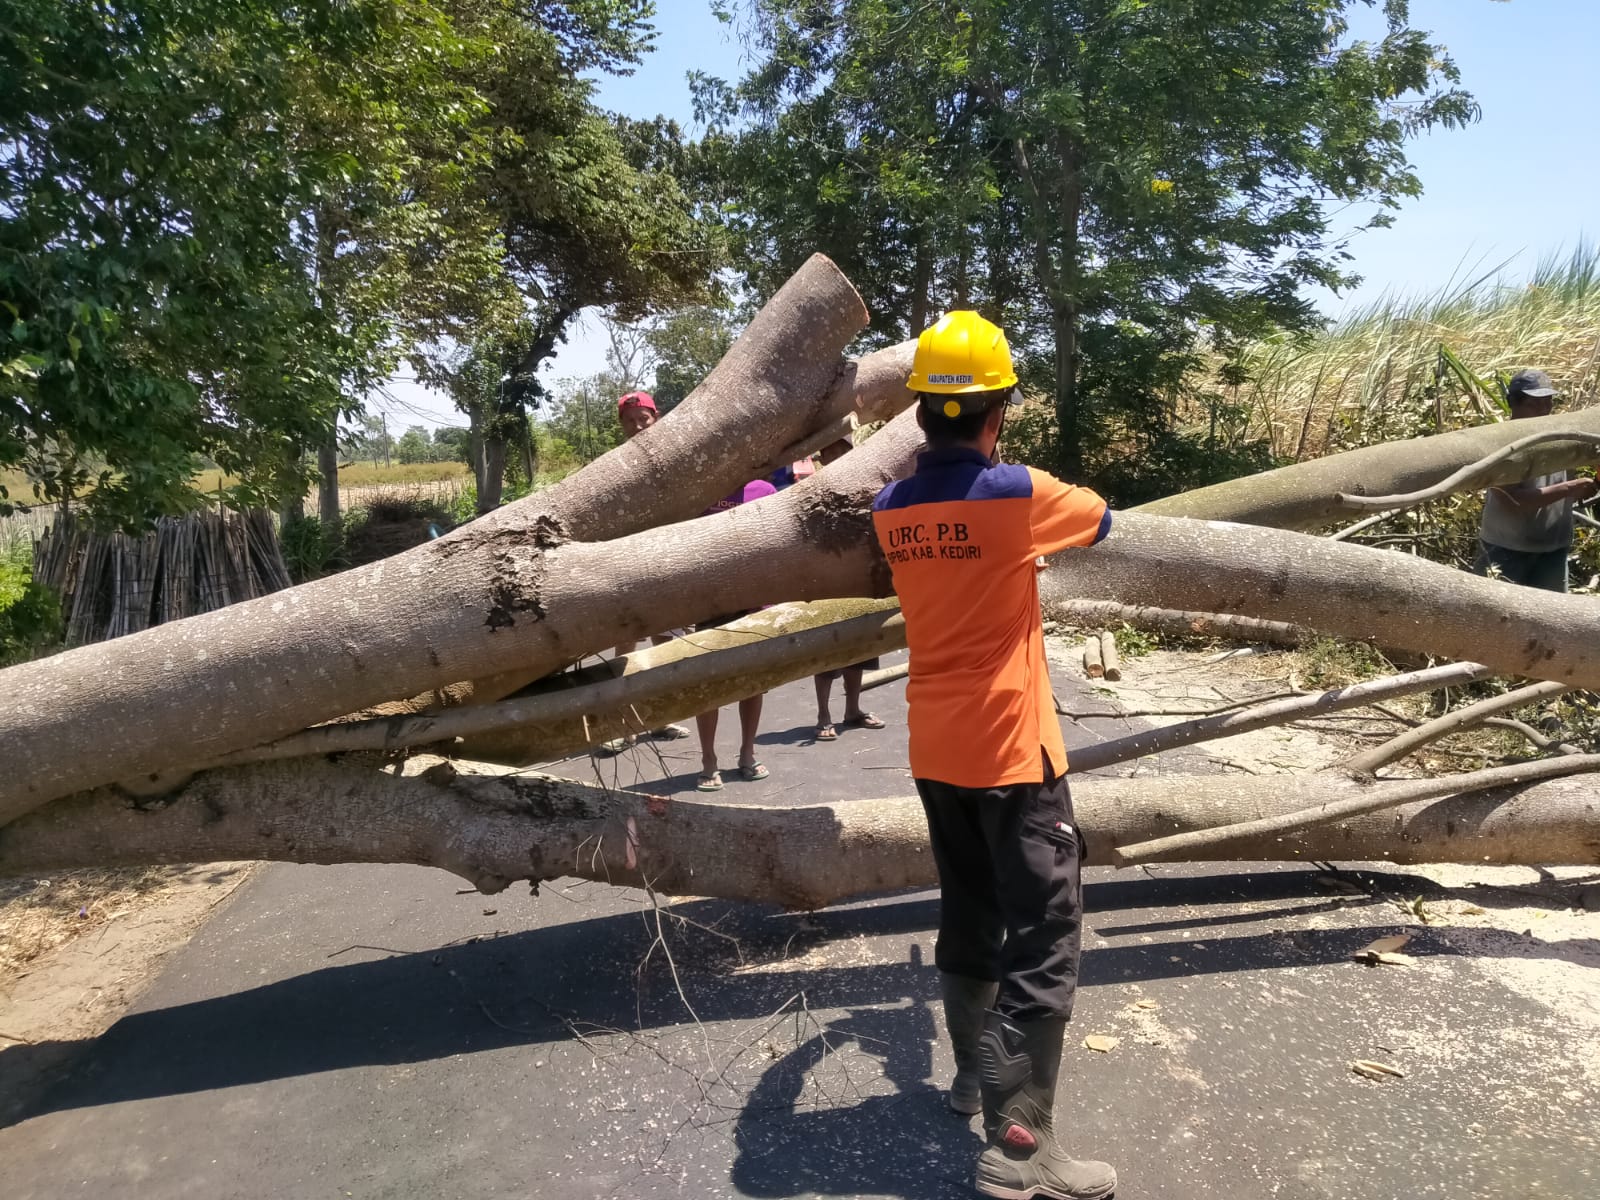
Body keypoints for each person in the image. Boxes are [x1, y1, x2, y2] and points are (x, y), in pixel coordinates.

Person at [871, 311, 1116, 1200]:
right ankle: (1021, 1146)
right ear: (997, 411)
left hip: (935, 745)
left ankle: (972, 1080)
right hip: (1012, 747)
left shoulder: (890, 508)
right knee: (1045, 931)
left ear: (920, 415)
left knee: (971, 910)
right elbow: (1103, 522)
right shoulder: (1017, 494)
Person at [602, 391, 690, 751]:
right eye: (631, 420)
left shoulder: (674, 459)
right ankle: (624, 725)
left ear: (656, 417)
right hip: (629, 562)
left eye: (644, 418)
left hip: (666, 560)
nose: (638, 426)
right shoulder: (614, 465)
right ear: (622, 426)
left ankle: (660, 717)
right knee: (626, 645)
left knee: (664, 643)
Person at [1473, 369, 1597, 592]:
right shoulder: (1501, 441)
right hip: (1506, 549)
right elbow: (1513, 501)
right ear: (1514, 403)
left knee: (1552, 620)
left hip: (1553, 549)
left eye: (1548, 401)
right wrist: (1570, 488)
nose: (1544, 409)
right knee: (1492, 618)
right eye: (1535, 403)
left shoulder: (1562, 434)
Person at [694, 477, 779, 791]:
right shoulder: (702, 492)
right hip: (710, 604)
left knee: (752, 684)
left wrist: (769, 603)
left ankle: (747, 754)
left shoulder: (764, 491)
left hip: (752, 602)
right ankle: (708, 760)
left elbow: (772, 546)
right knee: (707, 684)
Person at [811, 437, 886, 740]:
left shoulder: (865, 485)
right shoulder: (813, 489)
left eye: (843, 450)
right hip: (828, 579)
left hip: (861, 578)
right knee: (828, 650)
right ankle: (823, 714)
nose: (837, 455)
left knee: (859, 647)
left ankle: (852, 709)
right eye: (831, 451)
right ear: (824, 455)